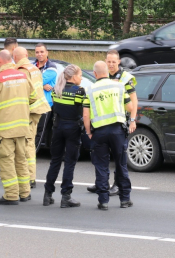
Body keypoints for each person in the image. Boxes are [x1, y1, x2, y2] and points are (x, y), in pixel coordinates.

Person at [0, 49, 36, 204]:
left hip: (5, 129)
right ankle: (25, 193)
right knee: (21, 161)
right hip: (22, 127)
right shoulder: (23, 76)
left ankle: (11, 195)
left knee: (6, 162)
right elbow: (33, 97)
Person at [83, 61, 137, 210]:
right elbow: (129, 106)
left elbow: (86, 115)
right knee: (120, 164)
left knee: (101, 166)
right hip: (117, 131)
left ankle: (103, 201)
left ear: (94, 74)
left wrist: (88, 132)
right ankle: (125, 199)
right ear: (107, 72)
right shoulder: (119, 86)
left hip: (99, 132)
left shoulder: (90, 90)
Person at [43, 64, 85, 208]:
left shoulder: (56, 90)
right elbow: (81, 110)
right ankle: (66, 196)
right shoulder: (79, 91)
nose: (81, 78)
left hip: (58, 128)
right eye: (80, 75)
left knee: (55, 161)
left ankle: (47, 195)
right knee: (69, 162)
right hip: (72, 128)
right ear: (73, 77)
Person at [13, 46, 51, 188]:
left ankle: (29, 177)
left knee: (26, 144)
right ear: (27, 55)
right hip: (38, 110)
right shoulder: (34, 68)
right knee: (29, 142)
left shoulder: (21, 71)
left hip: (29, 111)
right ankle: (29, 176)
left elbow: (21, 94)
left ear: (15, 58)